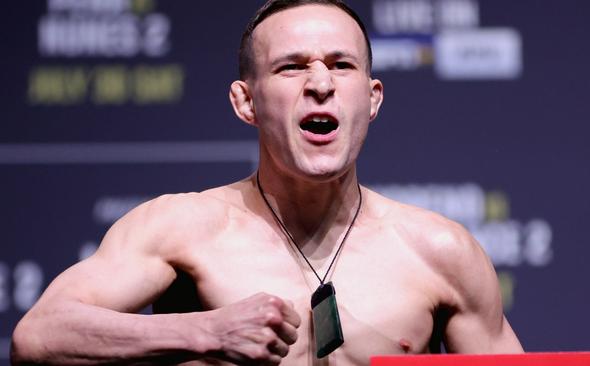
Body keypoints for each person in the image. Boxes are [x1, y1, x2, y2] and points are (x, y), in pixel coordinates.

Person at [11, 0, 524, 364]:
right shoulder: (180, 229)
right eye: (291, 67)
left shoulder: (441, 252)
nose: (320, 84)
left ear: (372, 99)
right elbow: (39, 336)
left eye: (341, 65)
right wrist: (202, 331)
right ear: (246, 102)